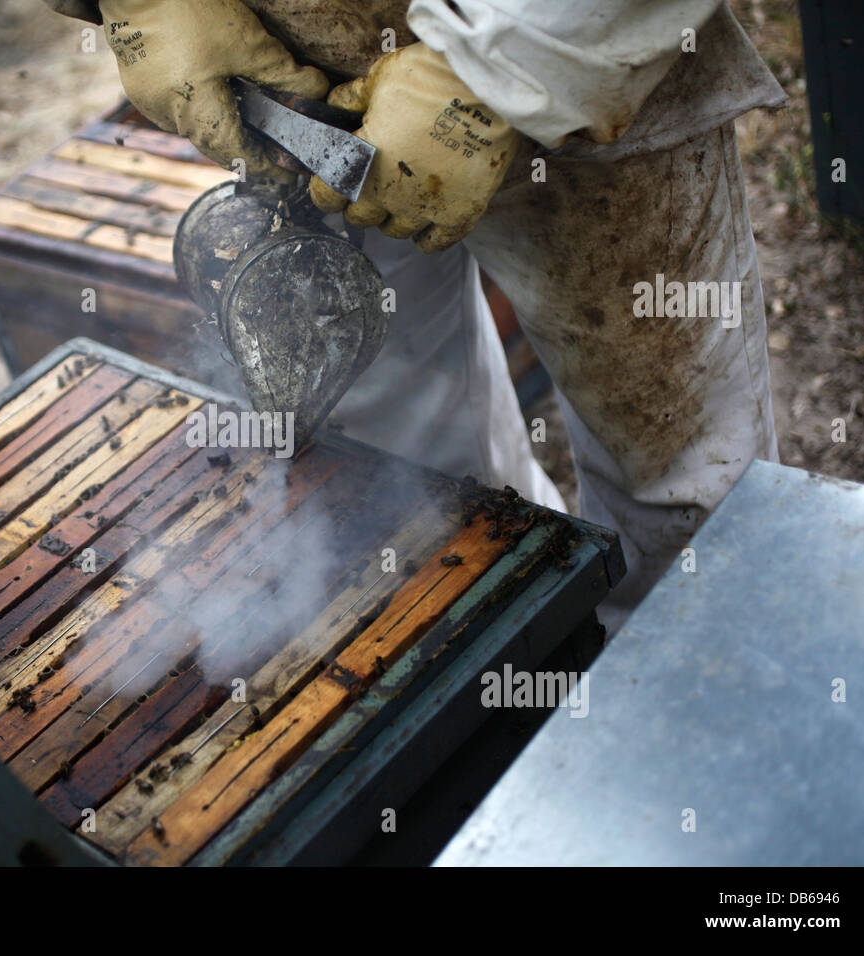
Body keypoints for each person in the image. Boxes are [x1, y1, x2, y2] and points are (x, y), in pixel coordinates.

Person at [42, 0, 785, 630]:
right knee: (400, 464)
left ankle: (686, 744)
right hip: (294, 83)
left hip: (582, 68)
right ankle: (510, 670)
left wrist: (500, 70)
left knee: (674, 484)